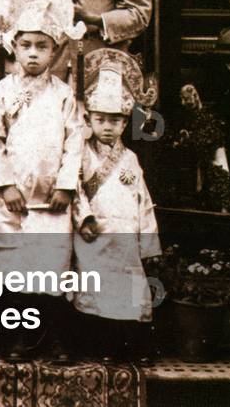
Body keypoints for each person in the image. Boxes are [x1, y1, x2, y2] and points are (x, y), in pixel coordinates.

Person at [0, 0, 85, 361]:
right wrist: (4, 185)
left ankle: (54, 336)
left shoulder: (63, 95)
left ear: (54, 50)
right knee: (15, 268)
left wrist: (65, 186)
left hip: (51, 202)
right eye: (25, 45)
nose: (32, 54)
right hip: (14, 201)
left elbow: (74, 141)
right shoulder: (3, 92)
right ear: (14, 46)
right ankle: (18, 338)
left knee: (51, 269)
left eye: (42, 46)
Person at [72, 48, 160, 361]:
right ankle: (103, 346)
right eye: (100, 120)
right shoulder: (81, 154)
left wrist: (148, 242)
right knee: (98, 290)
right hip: (95, 235)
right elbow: (75, 191)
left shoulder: (130, 158)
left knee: (131, 291)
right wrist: (84, 218)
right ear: (89, 119)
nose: (107, 126)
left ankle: (135, 346)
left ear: (124, 124)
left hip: (126, 240)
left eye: (115, 121)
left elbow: (143, 200)